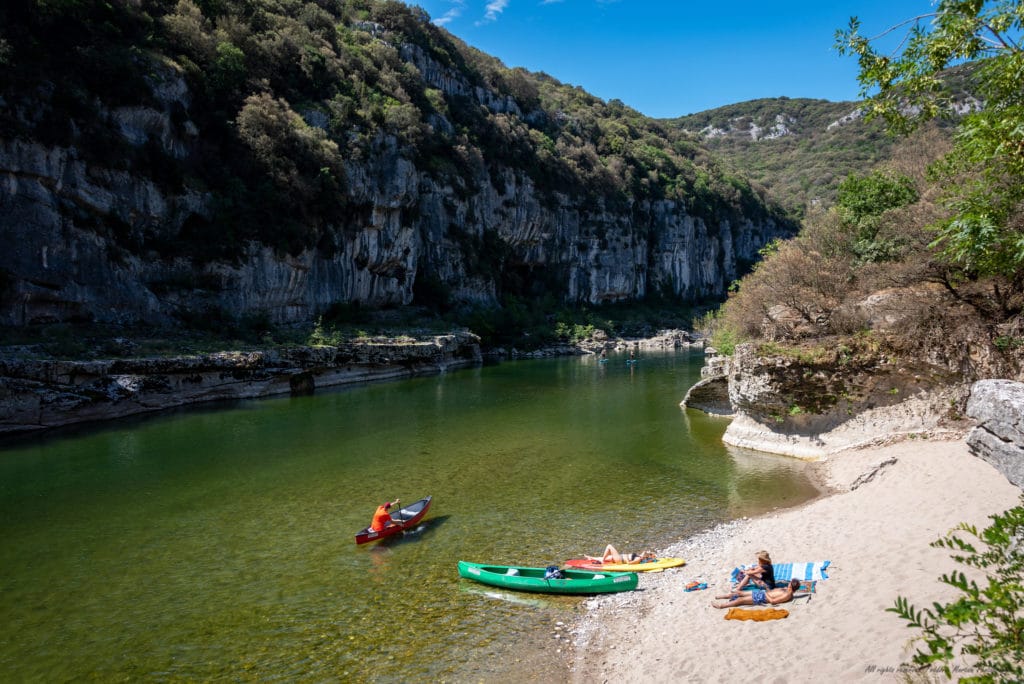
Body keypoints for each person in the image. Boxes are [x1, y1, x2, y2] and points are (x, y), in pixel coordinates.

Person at [713, 578, 802, 609]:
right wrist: (766, 587)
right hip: (763, 593)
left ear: (791, 585)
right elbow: (771, 592)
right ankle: (720, 596)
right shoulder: (786, 589)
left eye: (790, 582)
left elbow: (773, 601)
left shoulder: (787, 595)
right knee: (739, 593)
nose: (789, 583)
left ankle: (721, 606)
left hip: (763, 598)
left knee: (741, 600)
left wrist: (766, 594)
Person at [584, 544, 657, 565]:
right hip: (619, 557)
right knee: (604, 557)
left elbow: (629, 563)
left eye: (648, 555)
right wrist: (649, 554)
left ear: (646, 557)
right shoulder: (640, 556)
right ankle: (591, 558)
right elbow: (645, 552)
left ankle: (602, 560)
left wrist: (628, 559)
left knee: (609, 546)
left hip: (620, 559)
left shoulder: (638, 559)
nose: (646, 553)